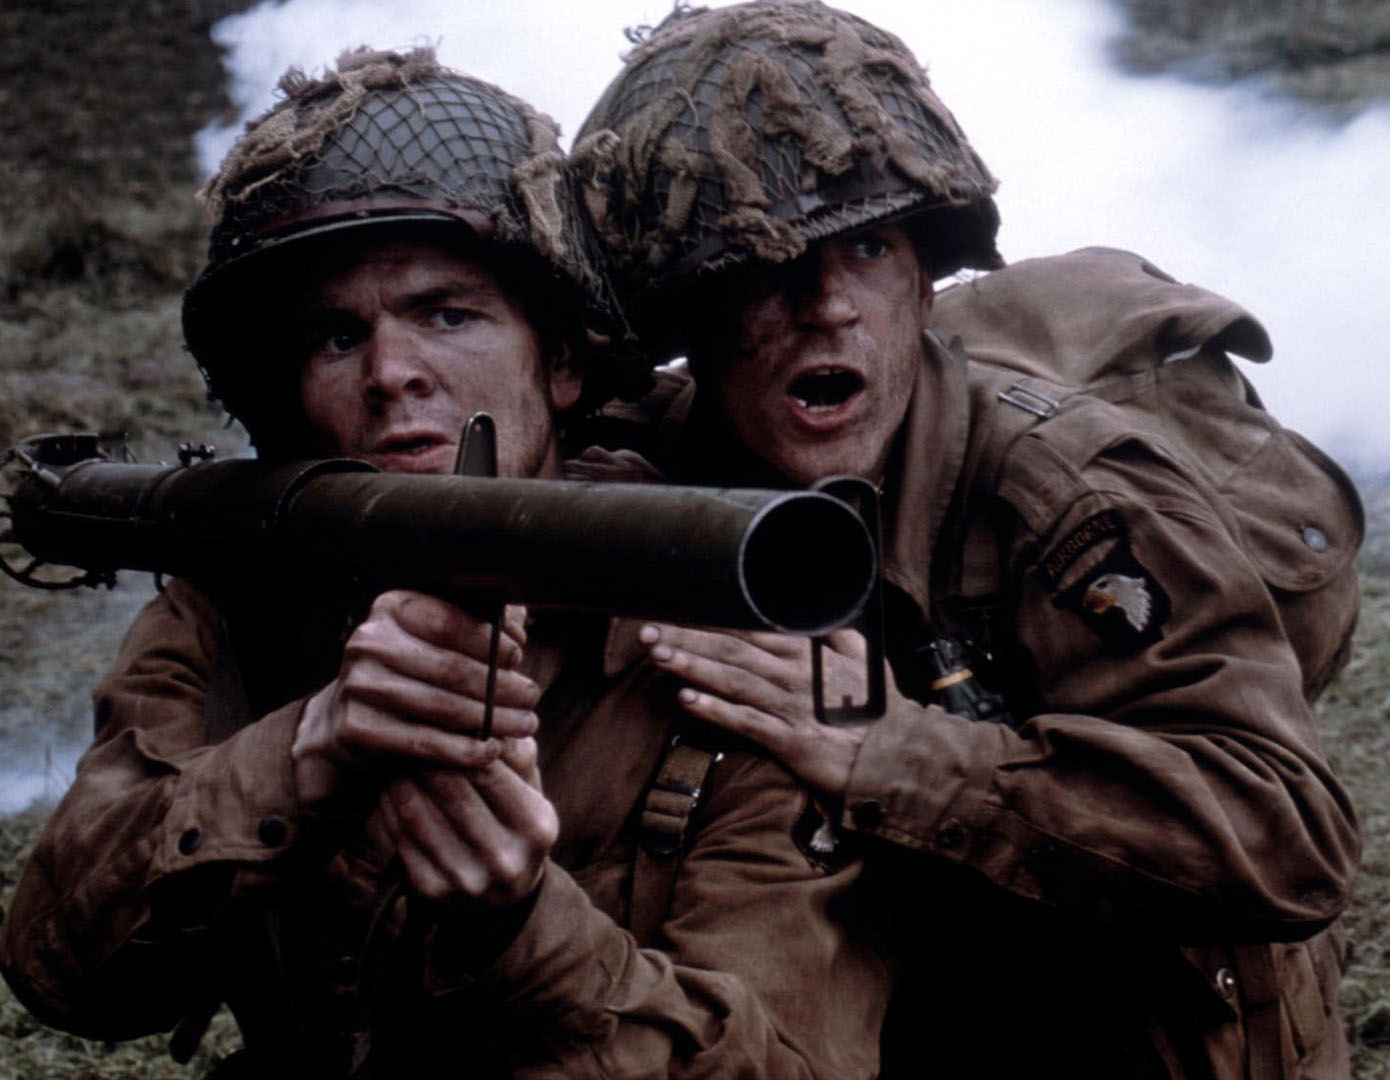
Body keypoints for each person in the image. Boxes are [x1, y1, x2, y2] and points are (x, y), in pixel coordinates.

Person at [0, 48, 886, 1079]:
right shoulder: (240, 593)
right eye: (337, 336)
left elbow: (790, 1063)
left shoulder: (744, 628)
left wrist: (520, 930)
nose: (390, 374)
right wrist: (307, 750)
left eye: (445, 313)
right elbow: (64, 969)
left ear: (560, 361)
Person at [571, 3, 1365, 1077]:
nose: (827, 307)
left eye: (867, 246)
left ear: (922, 277)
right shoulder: (648, 475)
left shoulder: (1069, 492)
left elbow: (1292, 837)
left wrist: (887, 752)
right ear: (686, 312)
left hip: (1144, 1028)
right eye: (761, 267)